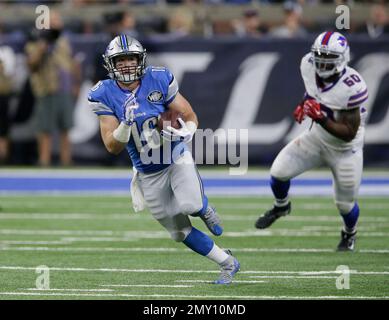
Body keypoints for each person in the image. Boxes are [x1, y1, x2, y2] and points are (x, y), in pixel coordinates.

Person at [87, 34, 240, 284]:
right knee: (179, 232)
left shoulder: (158, 78)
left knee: (190, 205)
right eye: (120, 60)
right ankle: (228, 262)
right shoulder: (103, 93)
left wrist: (186, 131)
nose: (126, 64)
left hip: (175, 157)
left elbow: (189, 115)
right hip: (147, 172)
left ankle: (204, 207)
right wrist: (125, 123)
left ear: (141, 60)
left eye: (130, 59)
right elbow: (112, 146)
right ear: (110, 64)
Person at [255, 31, 368, 252]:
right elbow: (313, 94)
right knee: (278, 172)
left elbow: (348, 132)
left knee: (345, 204)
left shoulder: (352, 86)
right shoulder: (307, 64)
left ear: (342, 59)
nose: (323, 62)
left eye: (329, 58)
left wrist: (319, 117)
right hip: (317, 138)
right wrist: (304, 105)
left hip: (345, 150)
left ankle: (349, 234)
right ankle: (281, 206)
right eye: (320, 55)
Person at [25, 10, 79, 166]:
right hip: (46, 89)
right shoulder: (36, 40)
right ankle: (44, 160)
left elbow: (73, 63)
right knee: (45, 129)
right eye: (53, 20)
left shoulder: (64, 40)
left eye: (58, 19)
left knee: (66, 128)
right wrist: (42, 47)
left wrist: (75, 83)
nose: (57, 23)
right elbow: (31, 65)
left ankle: (66, 161)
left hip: (64, 89)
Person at [0, 45, 15, 164]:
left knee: (3, 132)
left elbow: (8, 85)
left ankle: (3, 158)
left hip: (3, 100)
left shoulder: (6, 52)